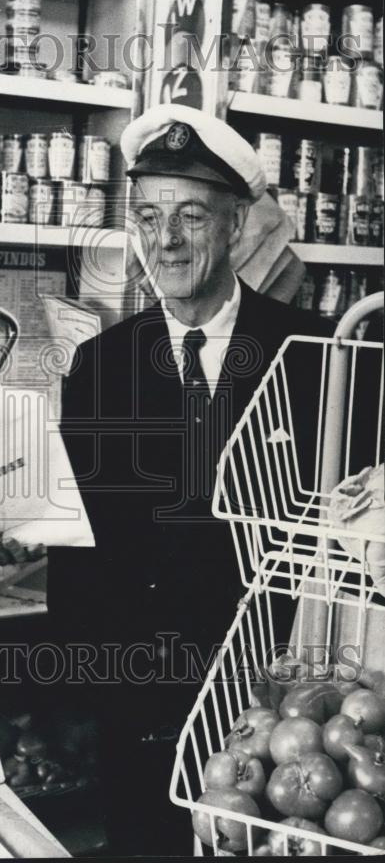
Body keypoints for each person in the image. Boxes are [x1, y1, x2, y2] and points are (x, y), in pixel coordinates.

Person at [47, 104, 333, 856]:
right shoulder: (100, 365)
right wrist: (79, 693)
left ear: (235, 226)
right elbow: (79, 551)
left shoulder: (312, 354)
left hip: (275, 705)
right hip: (137, 701)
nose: (165, 240)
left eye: (190, 216)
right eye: (147, 217)